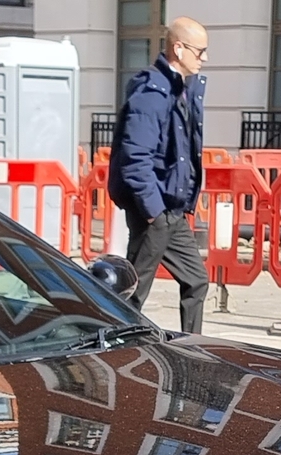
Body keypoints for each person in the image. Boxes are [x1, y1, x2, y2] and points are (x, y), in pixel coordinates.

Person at [107, 17, 208, 333]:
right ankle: (111, 344)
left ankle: (192, 349)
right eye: (200, 51)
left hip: (172, 209)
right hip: (155, 209)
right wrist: (153, 212)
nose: (204, 58)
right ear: (179, 48)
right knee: (133, 293)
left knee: (196, 280)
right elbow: (135, 157)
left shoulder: (182, 88)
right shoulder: (153, 92)